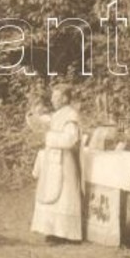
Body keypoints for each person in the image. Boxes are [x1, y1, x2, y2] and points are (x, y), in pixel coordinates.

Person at [28, 84, 83, 244]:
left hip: (64, 162)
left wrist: (48, 137)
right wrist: (35, 116)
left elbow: (70, 140)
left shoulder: (71, 116)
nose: (52, 100)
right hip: (52, 161)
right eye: (52, 97)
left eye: (56, 97)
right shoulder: (59, 114)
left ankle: (65, 234)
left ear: (65, 98)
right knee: (50, 195)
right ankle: (51, 231)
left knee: (63, 197)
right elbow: (45, 122)